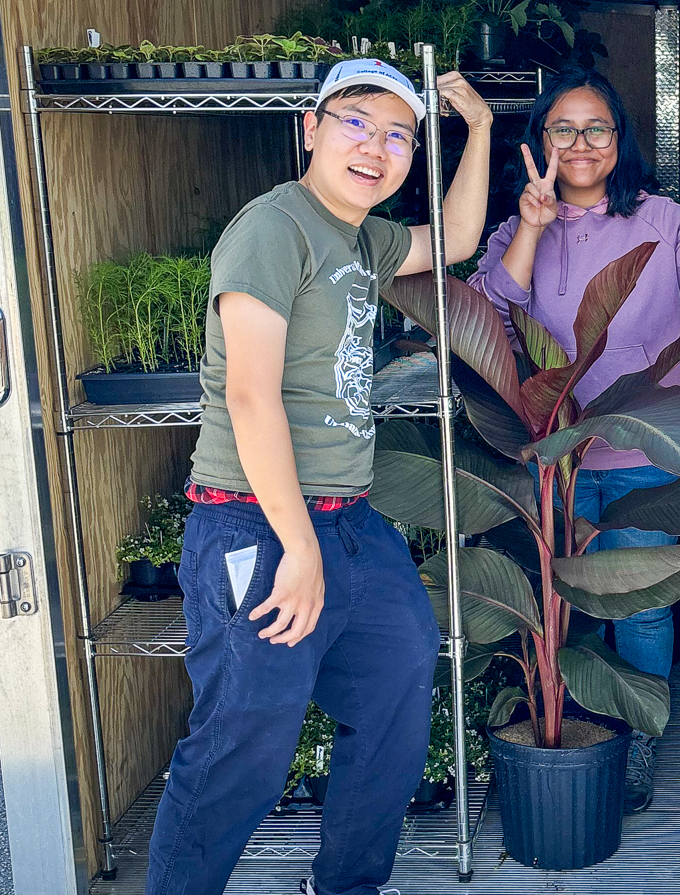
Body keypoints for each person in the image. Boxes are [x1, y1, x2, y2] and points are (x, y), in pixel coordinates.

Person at [147, 58, 494, 895]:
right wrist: (297, 548)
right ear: (311, 127)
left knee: (397, 693)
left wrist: (478, 130)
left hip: (350, 524)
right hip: (257, 523)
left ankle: (346, 883)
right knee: (244, 746)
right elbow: (249, 395)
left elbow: (452, 241)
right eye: (356, 123)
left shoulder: (359, 237)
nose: (376, 148)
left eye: (399, 136)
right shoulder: (276, 227)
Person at [470, 66, 680, 814]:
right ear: (538, 141)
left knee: (639, 604)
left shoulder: (661, 219)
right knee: (559, 606)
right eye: (561, 129)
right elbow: (481, 319)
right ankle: (574, 726)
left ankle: (643, 741)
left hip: (646, 449)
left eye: (596, 128)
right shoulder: (515, 229)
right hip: (551, 461)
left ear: (619, 139)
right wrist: (532, 229)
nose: (580, 143)